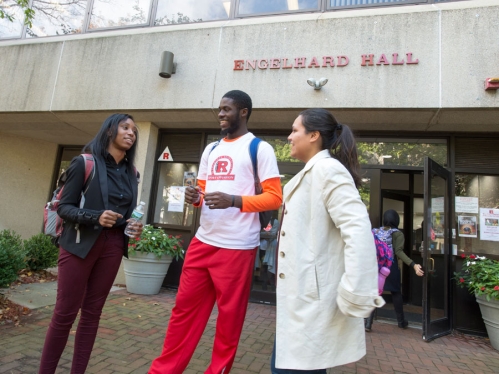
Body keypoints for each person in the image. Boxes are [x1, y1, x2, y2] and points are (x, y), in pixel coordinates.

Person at [149, 90, 282, 374]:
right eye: (219, 109)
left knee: (228, 322)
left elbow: (274, 198)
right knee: (183, 314)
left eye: (226, 109)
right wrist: (194, 197)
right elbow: (203, 193)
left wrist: (233, 200)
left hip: (237, 247)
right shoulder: (211, 149)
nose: (220, 114)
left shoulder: (260, 148)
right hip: (202, 241)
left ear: (243, 111)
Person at [271, 108, 384, 373]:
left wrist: (355, 290)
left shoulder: (329, 170)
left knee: (292, 368)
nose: (289, 137)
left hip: (313, 303)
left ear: (314, 135)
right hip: (301, 302)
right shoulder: (311, 174)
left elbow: (357, 231)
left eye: (295, 130)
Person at [39, 114, 143, 374]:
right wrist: (95, 216)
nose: (131, 133)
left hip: (113, 246)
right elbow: (64, 207)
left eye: (134, 130)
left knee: (92, 314)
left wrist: (133, 225)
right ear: (110, 131)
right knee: (64, 314)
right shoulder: (84, 163)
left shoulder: (132, 173)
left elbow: (126, 212)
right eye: (125, 127)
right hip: (78, 243)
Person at [365, 209, 424, 332]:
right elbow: (398, 252)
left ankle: (368, 323)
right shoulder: (398, 234)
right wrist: (413, 264)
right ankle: (401, 322)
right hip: (390, 267)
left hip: (376, 266)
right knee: (396, 293)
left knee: (375, 293)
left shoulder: (376, 231)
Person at [259, 211, 279, 291]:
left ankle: (273, 288)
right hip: (262, 248)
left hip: (271, 248)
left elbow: (274, 234)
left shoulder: (275, 221)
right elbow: (257, 233)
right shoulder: (260, 220)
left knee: (270, 269)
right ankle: (264, 287)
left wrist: (263, 234)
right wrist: (265, 234)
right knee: (263, 268)